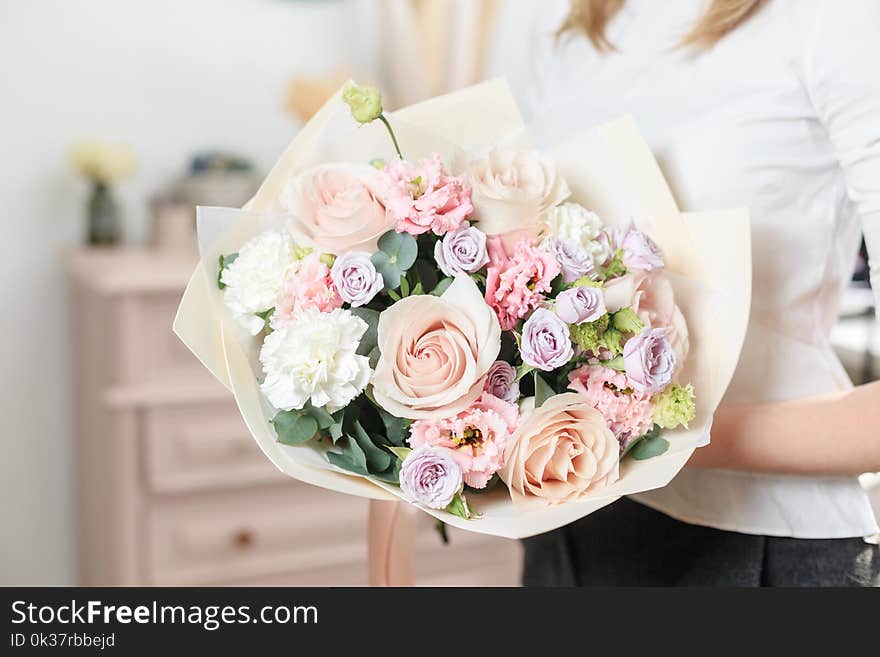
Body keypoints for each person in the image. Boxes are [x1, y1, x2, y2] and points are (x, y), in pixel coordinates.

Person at [521, 0, 880, 586]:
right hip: (566, 523)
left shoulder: (834, 18)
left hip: (758, 541)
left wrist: (640, 433)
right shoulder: (579, 26)